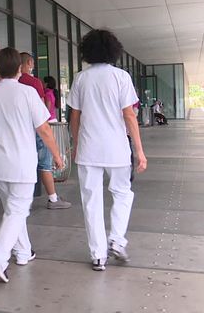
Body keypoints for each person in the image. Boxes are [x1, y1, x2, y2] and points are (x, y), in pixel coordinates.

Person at [0, 47, 63, 283]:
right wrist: (57, 155)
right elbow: (44, 129)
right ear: (19, 68)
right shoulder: (26, 93)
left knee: (13, 211)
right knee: (17, 210)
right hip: (21, 162)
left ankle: (23, 252)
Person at [68, 29, 147, 272]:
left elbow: (74, 117)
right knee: (122, 194)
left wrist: (75, 144)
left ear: (87, 51)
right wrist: (140, 150)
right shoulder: (121, 77)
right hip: (116, 148)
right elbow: (129, 116)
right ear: (114, 50)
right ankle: (117, 240)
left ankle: (98, 256)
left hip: (88, 148)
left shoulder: (81, 78)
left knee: (91, 200)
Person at [19, 52, 71, 209]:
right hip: (36, 128)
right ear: (29, 62)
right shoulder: (33, 83)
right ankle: (53, 198)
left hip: (20, 133)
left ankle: (23, 199)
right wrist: (57, 156)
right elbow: (41, 111)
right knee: (45, 164)